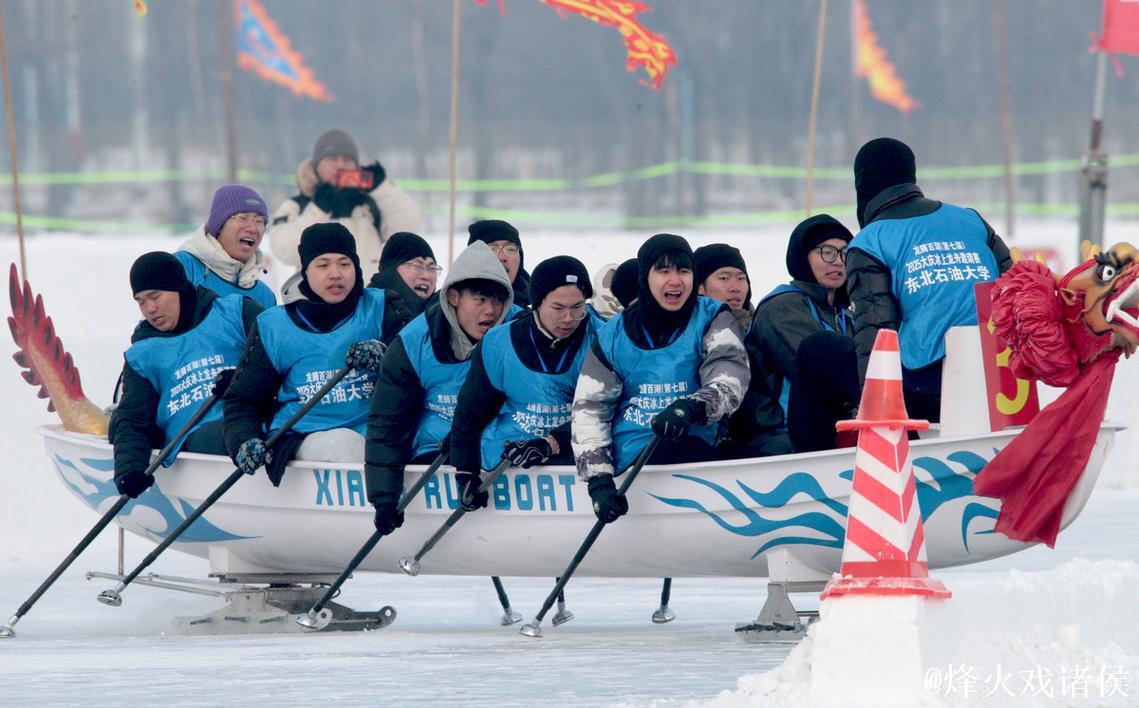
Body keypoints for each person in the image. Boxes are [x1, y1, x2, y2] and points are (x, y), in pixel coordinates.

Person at [572, 234, 750, 524]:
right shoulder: (613, 334)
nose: (675, 281)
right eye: (663, 271)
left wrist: (693, 407)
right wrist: (599, 481)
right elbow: (590, 409)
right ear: (646, 276)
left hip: (696, 447)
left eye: (684, 271)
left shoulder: (712, 316)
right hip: (634, 462)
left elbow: (729, 373)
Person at [222, 223, 408, 485]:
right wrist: (244, 441)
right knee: (343, 444)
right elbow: (242, 401)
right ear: (305, 272)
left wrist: (386, 356)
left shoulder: (384, 306)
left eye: (344, 264)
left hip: (381, 432)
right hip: (308, 436)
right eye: (323, 265)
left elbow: (419, 367)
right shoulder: (273, 326)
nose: (335, 274)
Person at [846, 137, 1013, 421]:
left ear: (862, 186)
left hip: (927, 383)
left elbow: (876, 332)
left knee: (818, 351)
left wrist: (874, 411)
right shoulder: (971, 220)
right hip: (1001, 372)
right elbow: (1018, 288)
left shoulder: (870, 242)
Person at [364, 241, 513, 535]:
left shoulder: (517, 331)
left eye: (498, 301)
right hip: (435, 455)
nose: (491, 311)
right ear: (453, 297)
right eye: (480, 299)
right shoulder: (413, 341)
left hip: (503, 452)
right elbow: (389, 424)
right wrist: (384, 499)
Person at [449, 256, 601, 511]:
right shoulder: (498, 342)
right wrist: (465, 472)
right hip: (507, 460)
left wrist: (551, 443)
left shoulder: (602, 339)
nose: (568, 318)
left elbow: (603, 410)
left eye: (577, 307)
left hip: (574, 453)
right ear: (537, 303)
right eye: (557, 308)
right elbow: (471, 411)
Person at [110, 252, 262, 498]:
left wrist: (243, 378)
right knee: (220, 432)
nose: (150, 309)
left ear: (179, 288)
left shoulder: (235, 311)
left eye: (155, 296)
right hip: (199, 438)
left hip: (252, 416)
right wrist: (129, 470)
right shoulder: (143, 354)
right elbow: (133, 419)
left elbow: (279, 355)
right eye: (141, 301)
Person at [727, 215, 859, 457]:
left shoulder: (845, 313)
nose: (838, 262)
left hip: (830, 429)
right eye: (827, 252)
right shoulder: (782, 307)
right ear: (803, 257)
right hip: (777, 435)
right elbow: (820, 373)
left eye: (844, 253)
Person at [269, 129, 423, 278]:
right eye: (332, 159)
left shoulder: (370, 205)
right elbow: (285, 251)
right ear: (316, 165)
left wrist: (382, 188)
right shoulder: (297, 205)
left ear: (357, 166)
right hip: (315, 296)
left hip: (367, 293)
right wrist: (318, 210)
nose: (340, 165)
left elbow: (410, 226)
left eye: (347, 160)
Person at [173, 184, 277, 309]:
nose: (252, 228)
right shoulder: (183, 267)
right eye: (242, 218)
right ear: (219, 226)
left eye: (260, 221)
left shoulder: (265, 296)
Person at [367, 231, 440, 318]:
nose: (426, 276)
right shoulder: (365, 313)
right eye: (417, 266)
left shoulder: (441, 317)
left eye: (432, 268)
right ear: (391, 271)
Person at [466, 219, 530, 311]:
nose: (501, 257)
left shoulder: (539, 315)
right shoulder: (453, 310)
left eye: (510, 249)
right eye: (491, 249)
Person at [694, 244, 753, 331]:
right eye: (724, 278)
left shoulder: (762, 329)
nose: (735, 288)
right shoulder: (685, 334)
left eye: (741, 278)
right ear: (699, 287)